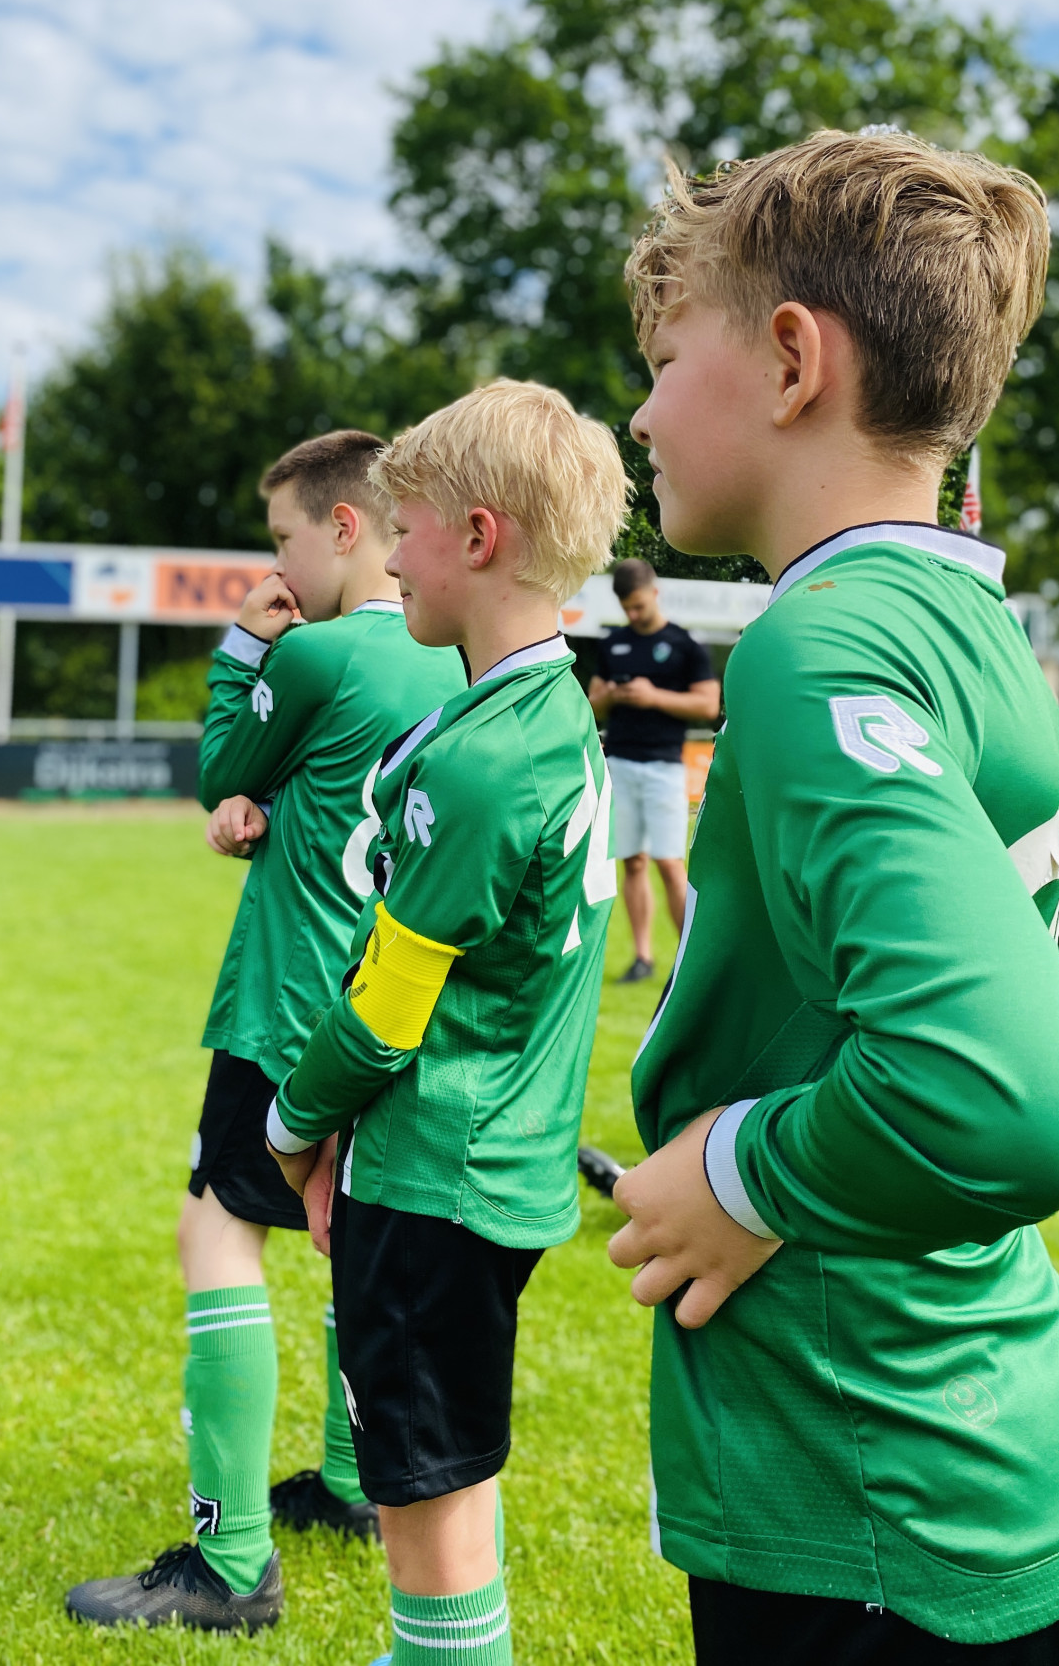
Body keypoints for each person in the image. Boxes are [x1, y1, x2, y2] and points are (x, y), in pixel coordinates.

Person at [606, 132, 1059, 1664]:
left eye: (661, 359)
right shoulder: (969, 616)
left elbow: (1021, 1099)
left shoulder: (817, 645)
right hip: (1001, 1443)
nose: (642, 410)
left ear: (790, 360)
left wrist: (758, 1172)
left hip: (868, 1490)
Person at [66, 430, 465, 1633]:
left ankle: (231, 1560)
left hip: (288, 1001)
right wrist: (272, 804)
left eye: (284, 538)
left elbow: (218, 765)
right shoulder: (458, 661)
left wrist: (244, 643)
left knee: (217, 1235)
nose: (276, 566)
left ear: (346, 527)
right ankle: (349, 1486)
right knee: (345, 1228)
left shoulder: (326, 651)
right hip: (388, 997)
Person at [264, 379, 628, 1666]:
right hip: (488, 1165)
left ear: (477, 539)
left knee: (422, 1497)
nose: (389, 550)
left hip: (437, 1172)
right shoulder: (537, 711)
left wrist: (291, 1124)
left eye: (402, 524)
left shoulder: (483, 756)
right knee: (441, 1472)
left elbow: (386, 1007)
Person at [586, 559, 719, 982]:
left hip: (664, 765)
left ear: (654, 593)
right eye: (627, 607)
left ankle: (689, 958)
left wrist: (652, 696)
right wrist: (606, 696)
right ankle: (643, 957)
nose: (634, 615)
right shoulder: (612, 645)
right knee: (634, 861)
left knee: (668, 862)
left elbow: (707, 705)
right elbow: (591, 705)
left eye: (639, 606)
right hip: (620, 763)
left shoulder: (684, 646)